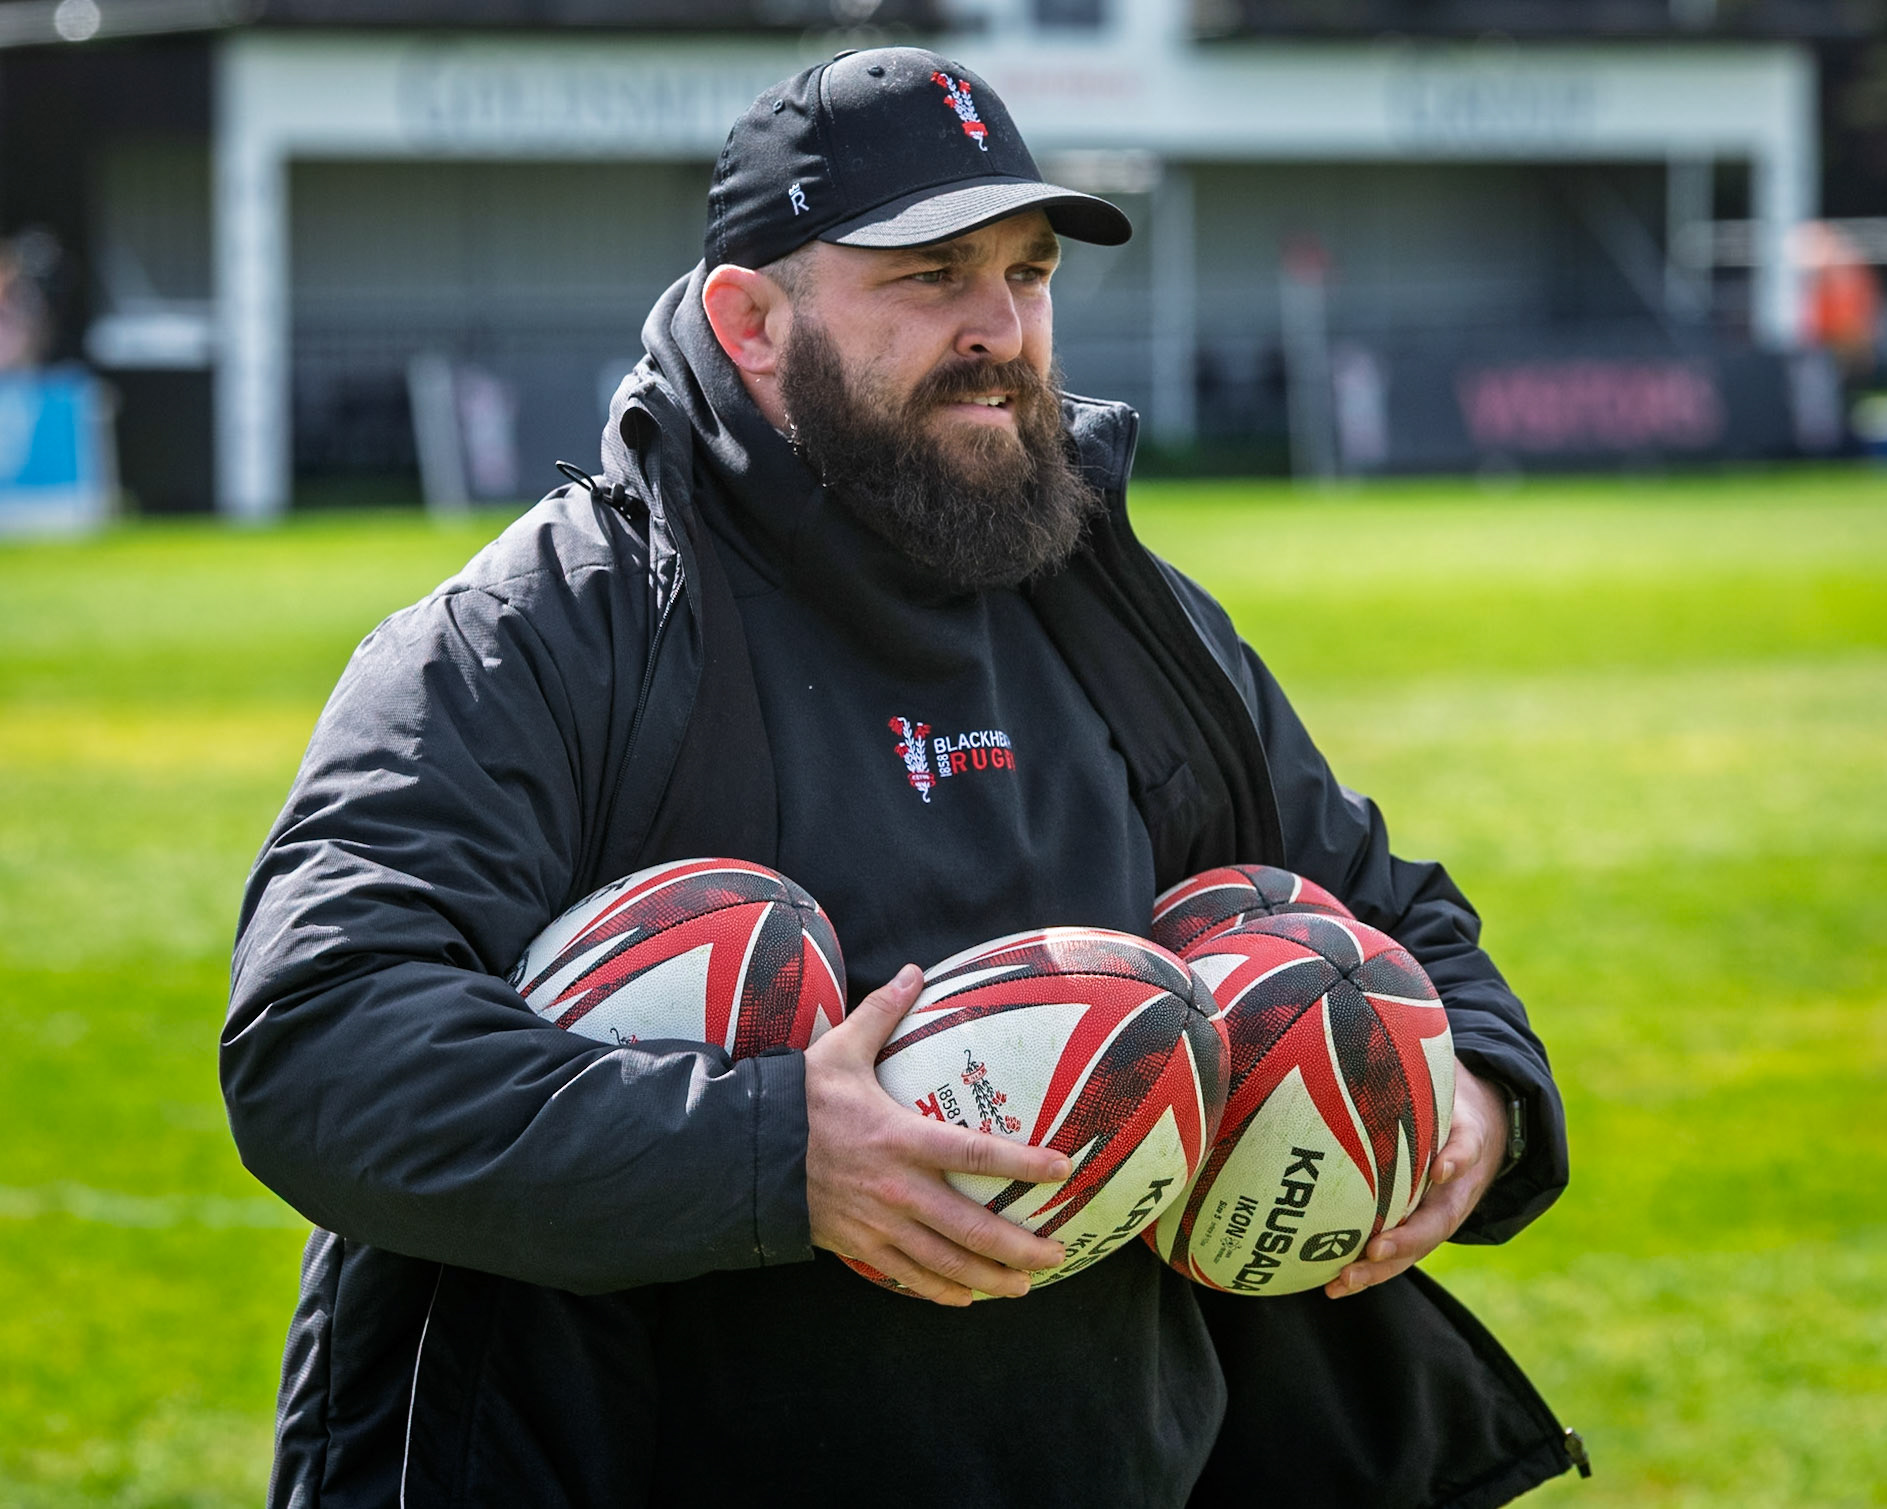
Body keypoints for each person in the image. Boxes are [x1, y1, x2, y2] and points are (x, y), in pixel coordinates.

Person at [224, 47, 1578, 1508]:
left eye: (1031, 269)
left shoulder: (1131, 618)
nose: (1002, 326)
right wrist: (777, 1155)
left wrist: (1486, 1102)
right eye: (931, 274)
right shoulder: (545, 634)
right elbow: (322, 1036)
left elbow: (1390, 918)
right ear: (750, 319)